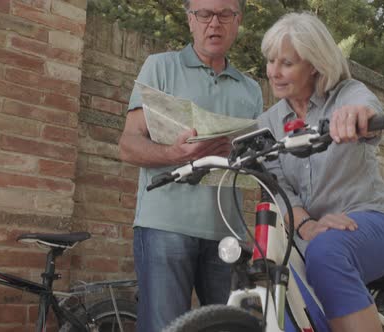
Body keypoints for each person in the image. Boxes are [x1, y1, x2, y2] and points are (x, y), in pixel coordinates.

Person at [257, 12, 384, 332]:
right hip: (309, 234)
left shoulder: (347, 94)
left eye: (286, 63)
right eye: (271, 61)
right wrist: (309, 226)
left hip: (372, 219)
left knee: (328, 252)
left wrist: (357, 117)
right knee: (274, 281)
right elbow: (280, 188)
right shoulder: (269, 123)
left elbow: (368, 111)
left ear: (313, 63)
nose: (274, 72)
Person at [118, 0, 263, 331]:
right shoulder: (160, 67)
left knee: (231, 326)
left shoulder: (251, 89)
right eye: (204, 14)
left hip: (228, 233)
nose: (215, 23)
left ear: (238, 21)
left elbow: (254, 162)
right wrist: (176, 154)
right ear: (190, 21)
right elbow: (128, 144)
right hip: (165, 228)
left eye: (225, 14)